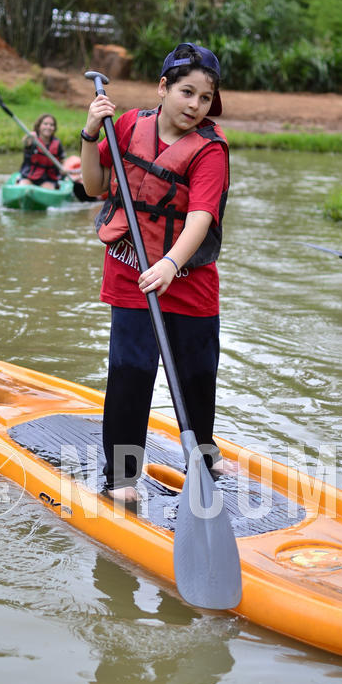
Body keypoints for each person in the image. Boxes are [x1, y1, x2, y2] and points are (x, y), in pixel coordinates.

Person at [81, 42, 230, 503]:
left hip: (187, 282)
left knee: (197, 378)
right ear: (163, 88)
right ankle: (123, 478)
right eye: (187, 92)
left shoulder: (211, 150)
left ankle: (202, 455)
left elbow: (201, 217)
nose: (194, 106)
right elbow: (92, 186)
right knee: (130, 375)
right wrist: (89, 134)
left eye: (204, 98)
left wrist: (169, 263)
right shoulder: (125, 126)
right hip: (131, 273)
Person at [18, 113, 65, 189]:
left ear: (54, 128)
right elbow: (25, 143)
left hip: (48, 179)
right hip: (29, 176)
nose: (48, 127)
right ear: (39, 126)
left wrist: (64, 169)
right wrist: (28, 136)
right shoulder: (32, 139)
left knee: (48, 188)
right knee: (23, 186)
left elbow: (62, 160)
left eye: (51, 125)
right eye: (45, 124)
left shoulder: (57, 143)